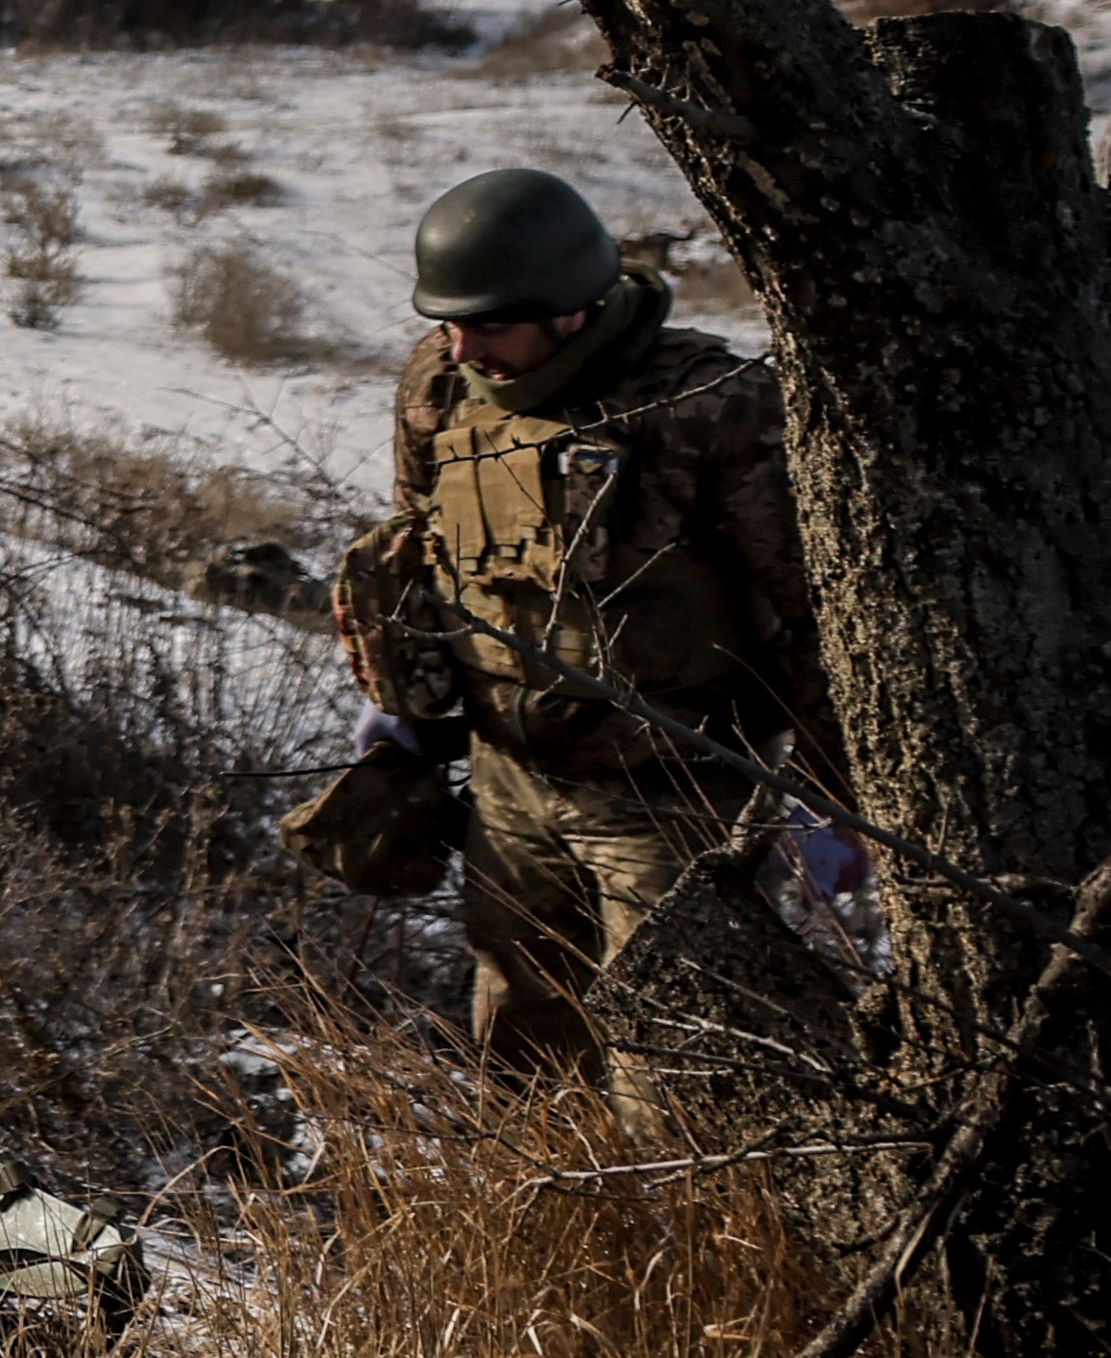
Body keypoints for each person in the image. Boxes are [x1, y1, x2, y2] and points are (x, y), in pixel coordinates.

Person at [332, 166, 836, 1076]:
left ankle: (691, 1220)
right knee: (522, 1049)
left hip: (673, 795)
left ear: (569, 308)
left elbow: (816, 610)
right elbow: (421, 536)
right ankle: (558, 1218)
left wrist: (837, 795)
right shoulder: (442, 386)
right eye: (445, 322)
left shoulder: (710, 406)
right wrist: (403, 698)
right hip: (507, 777)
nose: (459, 347)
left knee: (679, 1064)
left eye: (487, 325)